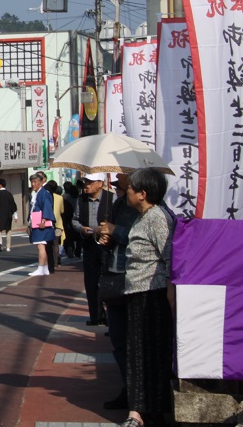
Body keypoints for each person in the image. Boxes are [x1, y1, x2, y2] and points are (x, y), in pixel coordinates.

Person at [118, 168, 176, 427]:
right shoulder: (142, 216)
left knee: (147, 352)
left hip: (152, 294)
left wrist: (169, 293)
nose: (126, 191)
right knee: (140, 352)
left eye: (130, 189)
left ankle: (142, 411)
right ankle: (143, 409)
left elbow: (169, 258)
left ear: (142, 194)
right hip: (139, 292)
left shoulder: (157, 218)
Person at [97, 173, 135, 411]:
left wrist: (114, 230)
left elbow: (139, 239)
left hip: (133, 280)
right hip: (113, 275)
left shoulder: (152, 210)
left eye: (123, 172)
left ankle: (137, 394)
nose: (118, 175)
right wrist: (106, 237)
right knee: (118, 340)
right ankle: (128, 388)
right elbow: (118, 238)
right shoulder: (119, 203)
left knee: (135, 341)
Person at [75, 173, 113, 324]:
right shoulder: (81, 199)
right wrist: (81, 229)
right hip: (89, 245)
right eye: (85, 182)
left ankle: (109, 316)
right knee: (91, 281)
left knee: (108, 280)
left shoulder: (111, 198)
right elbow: (74, 219)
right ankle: (95, 316)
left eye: (90, 182)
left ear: (100, 183)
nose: (86, 185)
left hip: (106, 246)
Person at [27, 171, 56, 276]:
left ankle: (40, 268)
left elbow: (47, 207)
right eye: (31, 182)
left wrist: (44, 220)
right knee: (42, 245)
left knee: (41, 246)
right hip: (36, 222)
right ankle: (45, 268)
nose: (33, 184)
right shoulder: (37, 193)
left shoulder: (44, 193)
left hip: (41, 223)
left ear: (40, 182)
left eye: (35, 182)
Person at [44, 180, 65, 272]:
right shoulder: (60, 198)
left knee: (48, 244)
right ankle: (56, 262)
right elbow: (62, 211)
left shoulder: (46, 195)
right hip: (58, 223)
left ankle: (48, 263)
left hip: (48, 222)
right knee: (56, 244)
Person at [0, 179, 17, 252]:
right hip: (8, 215)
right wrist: (15, 215)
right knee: (8, 230)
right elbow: (13, 205)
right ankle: (8, 246)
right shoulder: (9, 194)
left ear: (0, 185)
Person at [62, 181, 82, 259]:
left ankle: (70, 249)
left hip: (68, 220)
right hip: (79, 219)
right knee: (79, 237)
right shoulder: (80, 198)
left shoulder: (64, 198)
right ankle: (78, 251)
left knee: (68, 237)